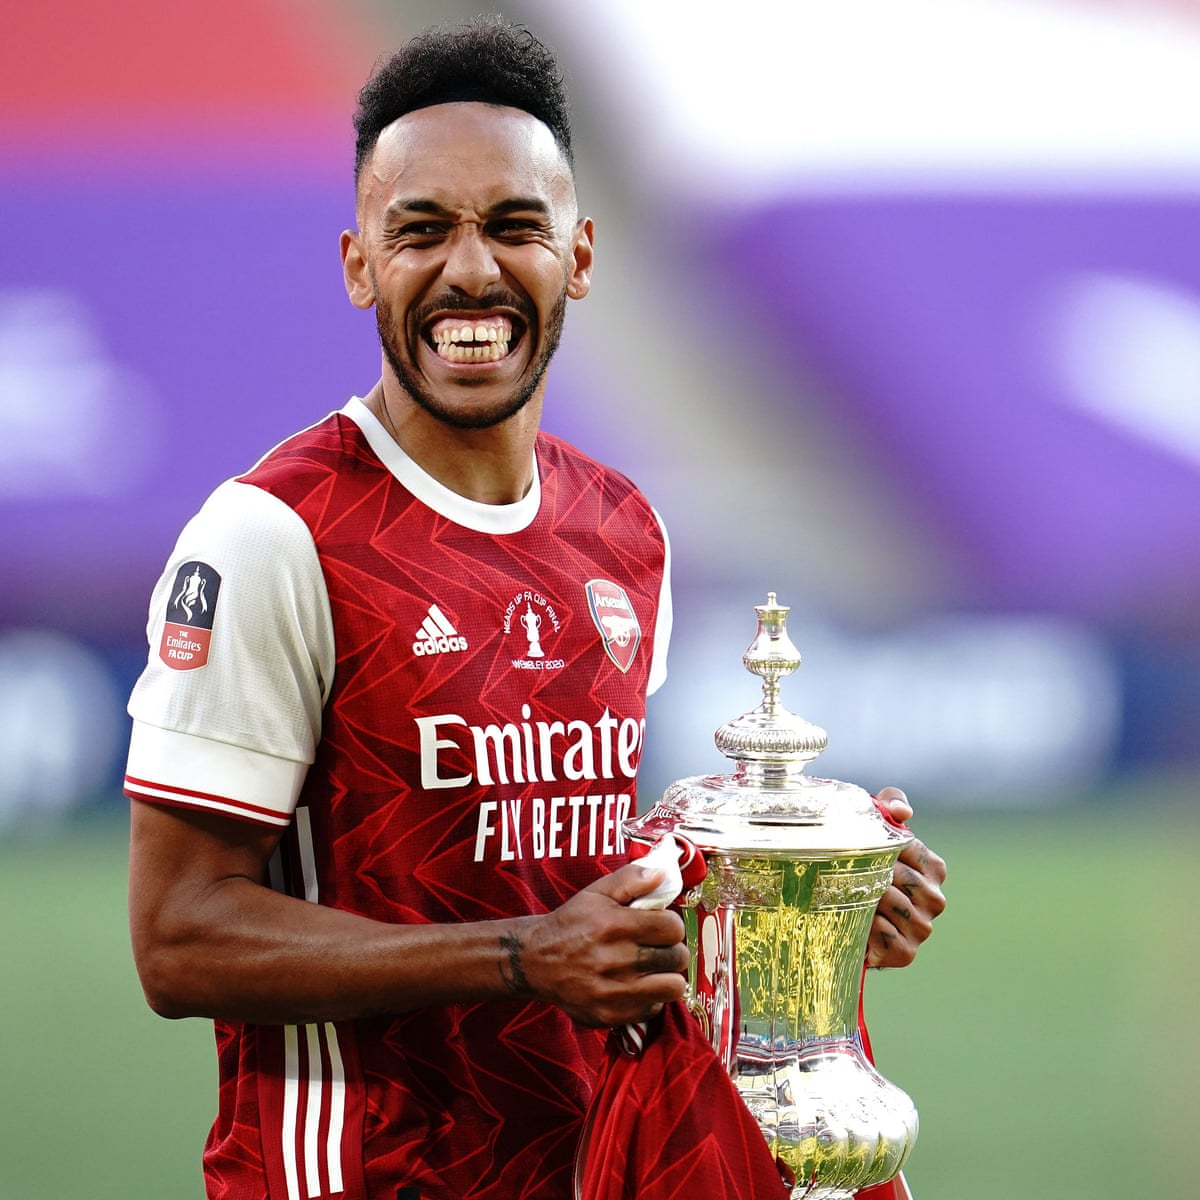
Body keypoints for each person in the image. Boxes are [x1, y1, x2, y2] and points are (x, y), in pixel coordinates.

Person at [125, 17, 947, 1200]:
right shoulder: (274, 536)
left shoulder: (625, 531)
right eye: (422, 231)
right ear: (359, 263)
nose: (471, 271)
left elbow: (567, 879)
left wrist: (799, 906)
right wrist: (521, 958)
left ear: (581, 253)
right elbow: (179, 937)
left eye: (515, 225)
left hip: (587, 1169)